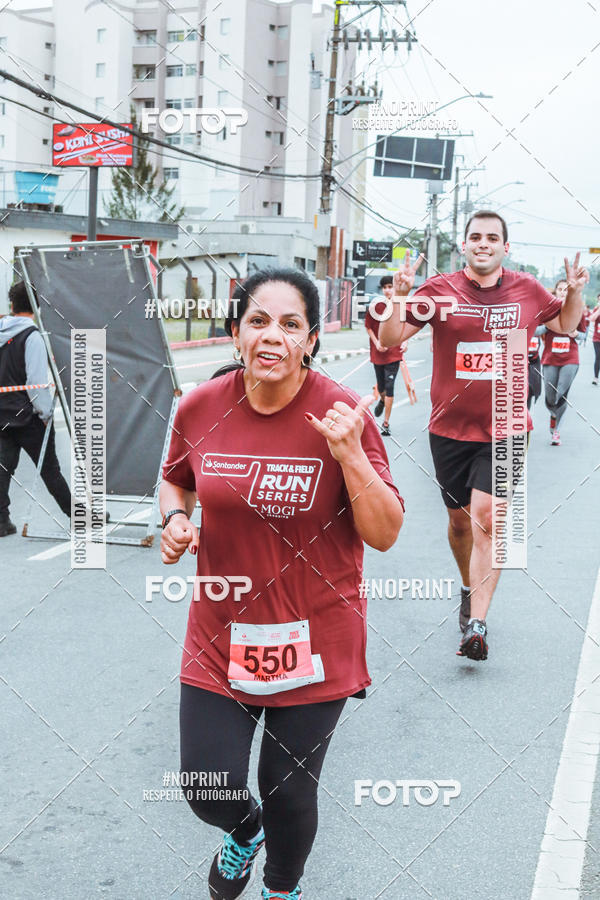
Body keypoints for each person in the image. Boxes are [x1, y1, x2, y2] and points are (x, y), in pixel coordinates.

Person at [159, 267, 404, 900]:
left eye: (290, 324)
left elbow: (384, 533)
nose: (273, 336)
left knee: (289, 787)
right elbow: (176, 478)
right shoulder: (201, 406)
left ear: (313, 338)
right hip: (221, 632)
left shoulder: (342, 415)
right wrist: (177, 519)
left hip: (317, 633)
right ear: (236, 334)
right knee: (206, 787)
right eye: (258, 321)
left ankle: (281, 889)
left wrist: (350, 456)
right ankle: (243, 830)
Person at [379, 210, 587, 661]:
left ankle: (477, 623)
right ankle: (468, 586)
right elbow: (388, 340)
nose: (484, 243)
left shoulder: (527, 289)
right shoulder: (439, 291)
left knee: (490, 517)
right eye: (476, 237)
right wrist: (399, 297)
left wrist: (577, 292)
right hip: (449, 429)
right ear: (465, 246)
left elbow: (566, 326)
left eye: (493, 237)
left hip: (509, 425)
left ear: (505, 248)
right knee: (459, 523)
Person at [0, 281, 71, 536]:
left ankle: (1, 521)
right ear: (37, 308)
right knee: (50, 471)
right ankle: (78, 516)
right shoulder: (32, 337)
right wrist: (45, 414)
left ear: (12, 305)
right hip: (29, 418)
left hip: (2, 415)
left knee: (3, 469)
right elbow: (36, 383)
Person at [540, 279, 588, 445]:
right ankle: (553, 415)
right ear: (555, 292)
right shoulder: (548, 310)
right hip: (550, 358)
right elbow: (535, 330)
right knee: (550, 396)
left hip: (570, 358)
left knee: (561, 394)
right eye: (560, 289)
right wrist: (551, 325)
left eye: (566, 290)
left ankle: (557, 431)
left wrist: (575, 334)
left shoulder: (577, 311)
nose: (563, 292)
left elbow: (584, 335)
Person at [364, 275, 406, 436]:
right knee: (381, 387)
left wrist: (405, 342)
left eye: (391, 287)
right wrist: (376, 343)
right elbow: (368, 327)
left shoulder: (400, 307)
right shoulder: (376, 307)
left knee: (389, 387)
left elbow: (407, 327)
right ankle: (381, 400)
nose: (388, 290)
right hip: (378, 353)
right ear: (382, 290)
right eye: (385, 287)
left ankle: (386, 423)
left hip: (394, 354)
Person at [590, 295, 600, 384]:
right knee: (598, 357)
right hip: (597, 338)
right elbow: (592, 319)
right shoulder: (596, 310)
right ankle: (595, 377)